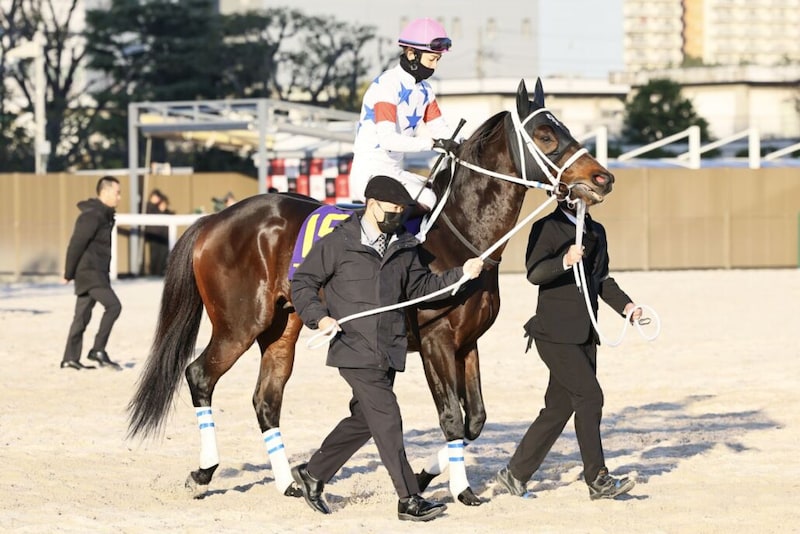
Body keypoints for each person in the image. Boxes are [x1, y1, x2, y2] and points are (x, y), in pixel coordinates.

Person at [290, 175, 484, 522]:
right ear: (372, 204)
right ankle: (409, 498)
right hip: (352, 347)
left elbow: (423, 287)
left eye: (401, 210)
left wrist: (461, 275)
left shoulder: (403, 246)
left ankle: (313, 473)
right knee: (388, 419)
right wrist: (319, 318)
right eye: (393, 209)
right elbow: (303, 283)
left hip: (388, 350)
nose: (398, 215)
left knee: (365, 420)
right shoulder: (338, 243)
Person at [494, 200, 642, 500]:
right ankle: (598, 479)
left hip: (586, 334)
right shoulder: (546, 227)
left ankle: (515, 473)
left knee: (558, 408)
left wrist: (626, 306)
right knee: (590, 397)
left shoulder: (596, 230)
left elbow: (601, 279)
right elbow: (534, 273)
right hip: (553, 333)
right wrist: (564, 260)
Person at [348, 18, 462, 210]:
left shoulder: (425, 90)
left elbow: (440, 129)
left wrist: (467, 144)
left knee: (442, 193)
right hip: (369, 175)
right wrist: (432, 144)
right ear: (412, 54)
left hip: (394, 172)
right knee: (429, 199)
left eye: (437, 60)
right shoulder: (387, 85)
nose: (434, 66)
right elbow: (387, 140)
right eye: (432, 59)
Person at [60, 176, 123, 371]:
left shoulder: (103, 214)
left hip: (97, 272)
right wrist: (68, 272)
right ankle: (97, 350)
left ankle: (70, 358)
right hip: (90, 272)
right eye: (117, 193)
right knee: (114, 306)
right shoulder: (92, 215)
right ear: (104, 193)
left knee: (81, 317)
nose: (119, 197)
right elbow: (76, 244)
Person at [145, 191, 171, 276]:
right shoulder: (149, 207)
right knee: (155, 256)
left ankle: (160, 273)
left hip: (163, 237)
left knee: (163, 256)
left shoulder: (164, 211)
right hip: (154, 236)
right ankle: (154, 273)